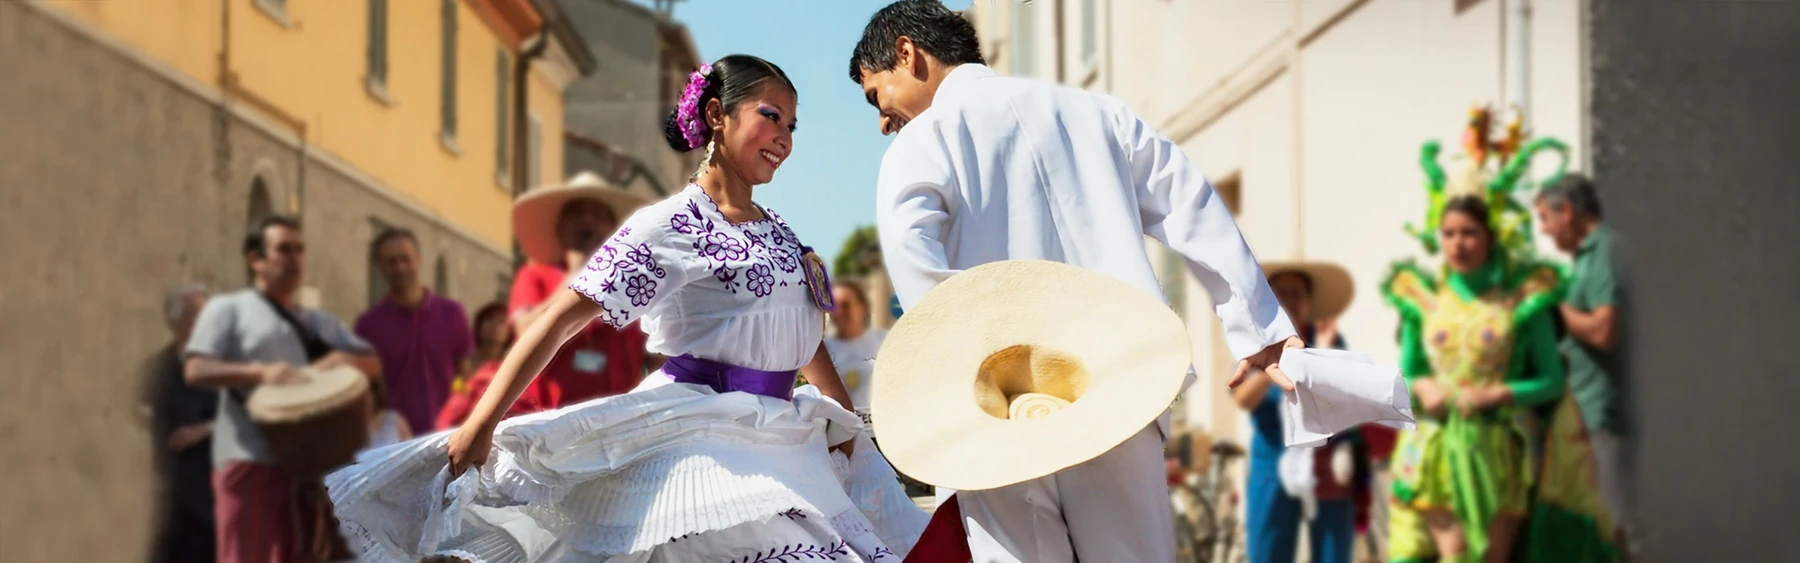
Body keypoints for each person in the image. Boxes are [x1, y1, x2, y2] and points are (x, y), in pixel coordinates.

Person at [324, 54, 928, 562]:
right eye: (770, 116)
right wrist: (480, 424)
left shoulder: (782, 233)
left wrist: (848, 432)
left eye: (793, 126)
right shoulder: (669, 224)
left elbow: (803, 337)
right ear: (717, 115)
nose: (784, 139)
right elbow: (562, 316)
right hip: (709, 439)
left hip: (786, 434)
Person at [849, 2, 1303, 561]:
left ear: (907, 53)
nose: (881, 119)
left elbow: (919, 277)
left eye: (877, 96)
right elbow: (1190, 205)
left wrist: (961, 384)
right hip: (1118, 390)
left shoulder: (920, 143)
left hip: (996, 414)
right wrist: (1259, 328)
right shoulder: (1096, 113)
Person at [1381, 196, 1569, 562]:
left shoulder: (1522, 302)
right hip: (1435, 450)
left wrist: (1498, 394)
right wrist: (1422, 386)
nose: (1457, 243)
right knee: (1454, 554)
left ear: (1490, 238)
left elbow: (1552, 381)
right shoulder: (1422, 302)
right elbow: (1402, 377)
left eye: (1469, 233)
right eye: (1448, 233)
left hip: (1498, 452)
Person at [184, 215, 381, 563]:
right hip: (248, 459)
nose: (295, 259)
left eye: (300, 250)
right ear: (255, 259)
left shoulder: (319, 321)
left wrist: (341, 360)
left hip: (309, 466)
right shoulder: (227, 310)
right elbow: (196, 369)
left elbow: (372, 364)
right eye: (283, 250)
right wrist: (260, 372)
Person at [1535, 172, 1635, 559]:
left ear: (1568, 212)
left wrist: (1554, 306)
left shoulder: (1605, 251)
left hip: (1604, 416)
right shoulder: (1584, 258)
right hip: (1584, 416)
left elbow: (1605, 330)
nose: (1544, 231)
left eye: (1545, 218)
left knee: (1613, 528)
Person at [1234, 263, 1359, 563]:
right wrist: (1272, 366)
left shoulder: (1329, 341)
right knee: (1268, 553)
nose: (1290, 300)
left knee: (1333, 554)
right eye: (1281, 293)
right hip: (1272, 464)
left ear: (1308, 300)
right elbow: (1242, 398)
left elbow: (1345, 398)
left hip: (1324, 464)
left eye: (1296, 293)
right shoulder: (1255, 344)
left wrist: (1325, 356)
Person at [504, 172, 658, 411]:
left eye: (598, 215)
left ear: (614, 229)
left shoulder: (635, 284)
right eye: (577, 213)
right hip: (544, 422)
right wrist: (577, 277)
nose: (587, 220)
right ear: (560, 228)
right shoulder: (534, 277)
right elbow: (525, 331)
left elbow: (658, 354)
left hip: (615, 423)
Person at [355, 227, 473, 438]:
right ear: (380, 267)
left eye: (405, 259)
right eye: (391, 261)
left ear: (417, 260)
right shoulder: (368, 325)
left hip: (447, 437)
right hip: (394, 445)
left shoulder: (452, 313)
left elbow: (465, 376)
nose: (400, 267)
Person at [143, 284, 218, 563]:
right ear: (178, 321)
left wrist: (203, 430)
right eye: (198, 315)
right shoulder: (158, 367)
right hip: (173, 492)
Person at [433, 302, 515, 431]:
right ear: (479, 325)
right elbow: (452, 392)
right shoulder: (461, 362)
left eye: (501, 322)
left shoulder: (511, 367)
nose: (495, 326)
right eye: (490, 320)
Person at [823, 279, 887, 411]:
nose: (839, 312)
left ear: (863, 307)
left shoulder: (886, 340)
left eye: (846, 305)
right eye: (835, 306)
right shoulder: (823, 351)